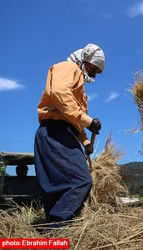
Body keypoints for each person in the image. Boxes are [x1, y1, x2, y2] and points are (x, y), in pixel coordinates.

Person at [34, 43, 104, 225]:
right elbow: (59, 93)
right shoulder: (68, 67)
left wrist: (86, 141)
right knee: (81, 180)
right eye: (95, 70)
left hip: (51, 132)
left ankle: (50, 229)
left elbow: (71, 116)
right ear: (87, 62)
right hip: (56, 132)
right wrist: (89, 121)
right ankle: (56, 228)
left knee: (54, 188)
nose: (95, 75)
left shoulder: (78, 85)